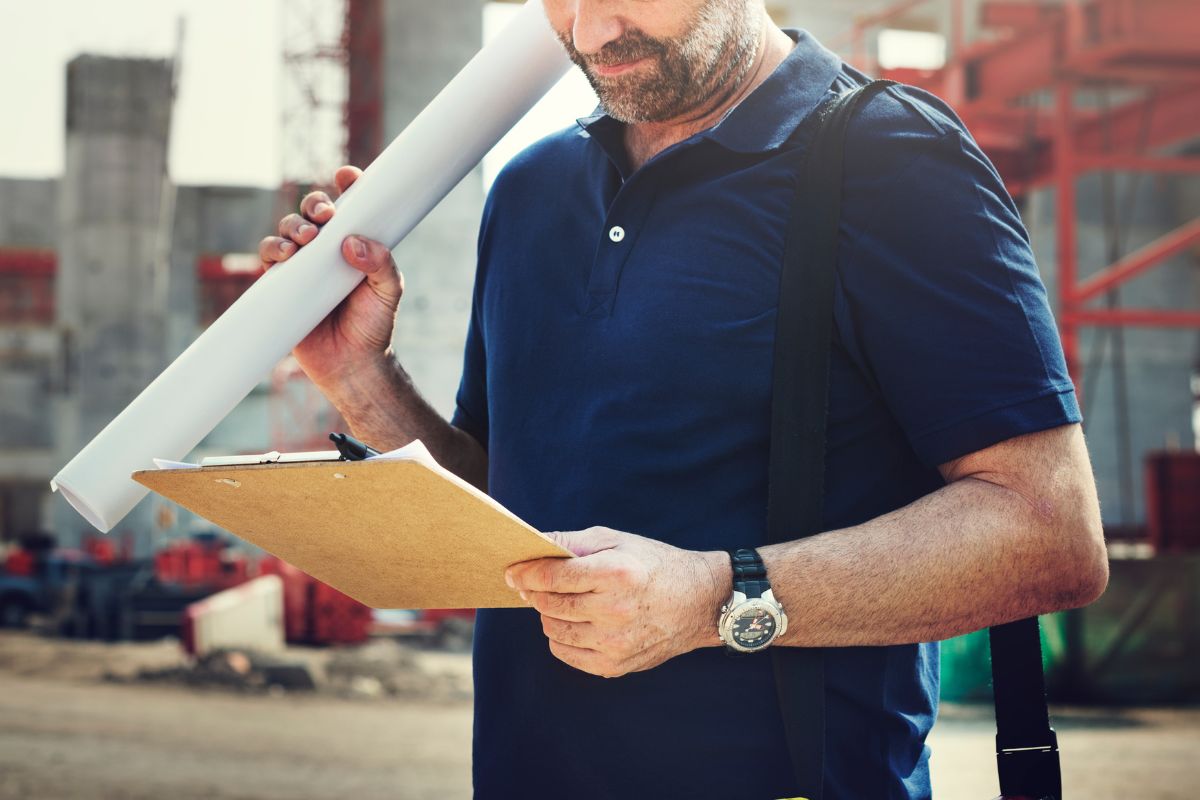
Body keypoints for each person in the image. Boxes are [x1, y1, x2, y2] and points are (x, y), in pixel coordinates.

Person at [259, 1, 1109, 796]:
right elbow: (503, 506)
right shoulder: (528, 189)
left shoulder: (895, 160)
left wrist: (712, 599)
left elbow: (1050, 534)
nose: (591, 32)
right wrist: (359, 376)